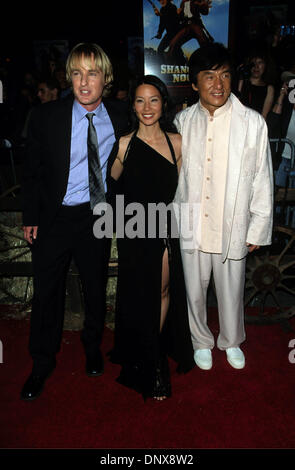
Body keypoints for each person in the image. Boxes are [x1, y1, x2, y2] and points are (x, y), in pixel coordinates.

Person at [20, 42, 128, 401]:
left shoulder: (122, 115)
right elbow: (32, 171)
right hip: (54, 218)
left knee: (95, 287)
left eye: (92, 73)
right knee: (46, 293)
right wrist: (31, 216)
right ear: (69, 77)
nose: (84, 82)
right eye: (77, 73)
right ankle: (41, 362)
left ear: (105, 78)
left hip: (95, 215)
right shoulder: (46, 116)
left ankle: (93, 347)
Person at [173, 43, 273, 371]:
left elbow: (262, 178)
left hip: (232, 222)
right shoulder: (182, 122)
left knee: (231, 290)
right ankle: (200, 339)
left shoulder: (253, 123)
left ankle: (231, 340)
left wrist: (258, 226)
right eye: (209, 76)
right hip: (193, 220)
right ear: (194, 83)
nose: (219, 84)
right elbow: (173, 178)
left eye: (225, 75)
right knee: (194, 290)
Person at [106, 75, 194, 401]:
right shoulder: (124, 144)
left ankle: (153, 356)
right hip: (135, 229)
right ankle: (142, 349)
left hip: (165, 225)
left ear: (164, 104)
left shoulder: (177, 142)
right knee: (139, 293)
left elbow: (186, 189)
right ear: (133, 105)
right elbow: (108, 185)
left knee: (162, 289)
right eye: (140, 100)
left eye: (153, 100)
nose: (147, 107)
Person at [238, 51, 275, 119]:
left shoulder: (269, 89)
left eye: (260, 62)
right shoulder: (242, 82)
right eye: (253, 63)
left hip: (255, 125)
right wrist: (241, 79)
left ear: (265, 65)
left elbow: (264, 116)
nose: (256, 66)